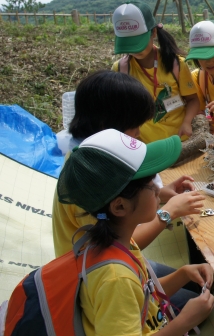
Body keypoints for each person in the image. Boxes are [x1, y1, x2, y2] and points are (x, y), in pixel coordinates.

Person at [51, 70, 205, 308]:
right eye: (134, 127)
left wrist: (161, 193)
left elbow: (125, 192)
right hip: (93, 282)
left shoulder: (92, 157)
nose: (139, 133)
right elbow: (120, 242)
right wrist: (167, 213)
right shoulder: (90, 177)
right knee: (196, 302)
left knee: (195, 282)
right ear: (108, 126)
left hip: (123, 262)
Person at [56, 129, 214, 335]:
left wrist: (183, 274)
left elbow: (142, 296)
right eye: (150, 185)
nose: (158, 189)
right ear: (120, 207)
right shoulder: (115, 279)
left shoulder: (120, 242)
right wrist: (183, 323)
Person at [111, 0, 199, 143]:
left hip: (178, 142)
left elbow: (193, 99)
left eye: (139, 43)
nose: (135, 50)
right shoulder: (121, 70)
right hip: (143, 147)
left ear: (153, 32)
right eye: (130, 45)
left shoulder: (175, 64)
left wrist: (187, 122)